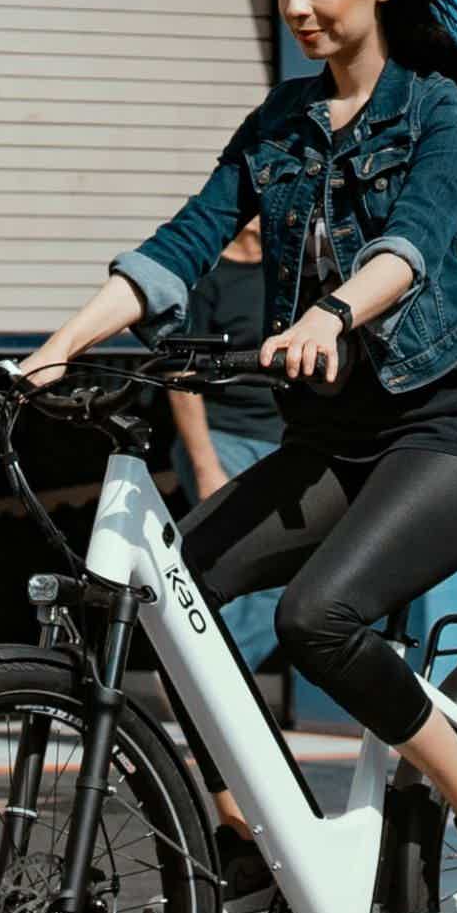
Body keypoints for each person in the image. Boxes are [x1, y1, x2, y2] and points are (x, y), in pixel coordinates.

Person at [20, 0, 457, 913]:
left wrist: (330, 315)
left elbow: (412, 243)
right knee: (171, 599)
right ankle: (251, 840)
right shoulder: (279, 124)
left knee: (318, 618)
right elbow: (180, 245)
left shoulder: (439, 111)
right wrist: (54, 346)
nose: (300, 8)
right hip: (344, 438)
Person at [166, 216, 285, 674]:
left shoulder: (283, 271)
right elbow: (181, 377)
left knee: (278, 576)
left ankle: (219, 686)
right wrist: (206, 466)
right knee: (227, 563)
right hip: (222, 438)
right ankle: (204, 687)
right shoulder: (208, 278)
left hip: (280, 439)